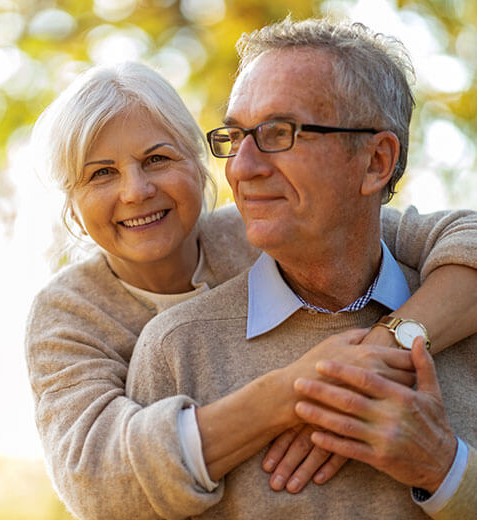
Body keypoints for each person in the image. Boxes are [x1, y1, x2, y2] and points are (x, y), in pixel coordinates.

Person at [25, 62, 477, 519]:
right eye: (101, 173)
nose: (136, 191)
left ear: (199, 165)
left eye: (157, 159)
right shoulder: (67, 314)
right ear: (73, 205)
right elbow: (98, 479)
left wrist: (388, 343)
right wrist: (302, 390)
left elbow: (464, 237)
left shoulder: (262, 228)